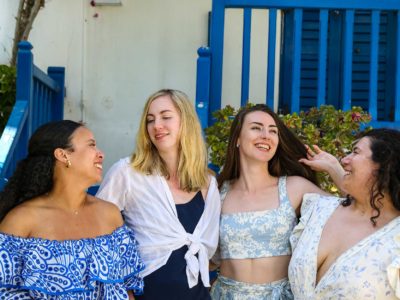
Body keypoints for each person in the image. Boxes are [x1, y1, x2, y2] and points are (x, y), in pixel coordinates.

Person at [210, 104, 343, 300]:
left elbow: (354, 209)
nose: (266, 135)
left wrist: (334, 168)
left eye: (273, 131)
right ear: (237, 138)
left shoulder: (294, 188)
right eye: (256, 127)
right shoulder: (217, 192)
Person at [96, 89, 221, 300]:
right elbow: (97, 232)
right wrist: (123, 291)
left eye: (166, 117)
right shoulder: (127, 172)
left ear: (186, 122)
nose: (157, 126)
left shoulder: (207, 182)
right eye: (150, 120)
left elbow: (210, 253)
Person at [0, 120, 144, 299]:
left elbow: (128, 286)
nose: (101, 154)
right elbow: (5, 292)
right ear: (62, 154)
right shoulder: (22, 220)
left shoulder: (110, 214)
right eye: (91, 145)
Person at [289, 128, 400, 299]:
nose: (344, 159)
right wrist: (333, 167)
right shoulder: (320, 209)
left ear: (385, 165)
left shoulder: (395, 239)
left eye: (355, 152)